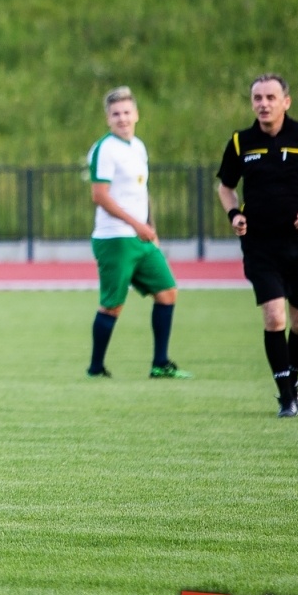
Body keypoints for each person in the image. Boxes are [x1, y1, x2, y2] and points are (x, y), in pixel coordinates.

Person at [216, 75, 298, 417]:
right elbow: (226, 186)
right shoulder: (242, 142)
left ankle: (294, 378)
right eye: (257, 97)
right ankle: (286, 396)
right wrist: (233, 214)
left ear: (286, 101)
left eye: (271, 97)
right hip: (260, 245)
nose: (263, 103)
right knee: (274, 316)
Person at [84, 87, 190, 379]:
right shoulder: (105, 149)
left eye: (127, 112)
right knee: (112, 305)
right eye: (116, 114)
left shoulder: (137, 146)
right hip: (115, 238)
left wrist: (150, 227)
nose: (122, 118)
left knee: (167, 291)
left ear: (136, 115)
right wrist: (136, 224)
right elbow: (100, 196)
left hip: (140, 236)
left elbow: (142, 191)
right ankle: (95, 368)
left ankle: (160, 363)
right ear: (108, 119)